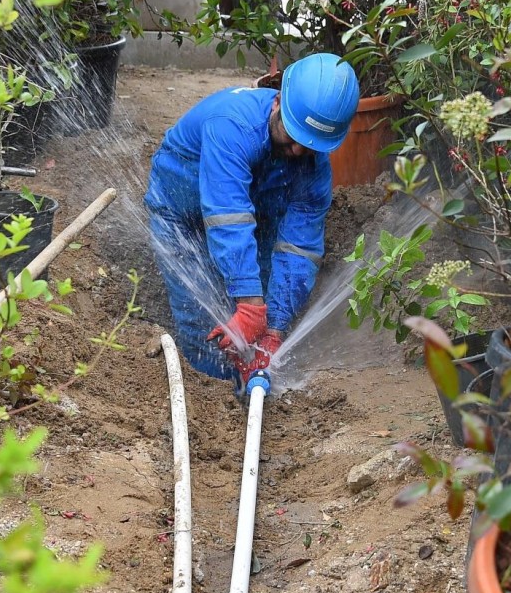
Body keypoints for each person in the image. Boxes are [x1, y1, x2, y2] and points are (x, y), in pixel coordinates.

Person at [144, 53, 360, 386]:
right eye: (293, 135)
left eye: (310, 145)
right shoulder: (232, 127)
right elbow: (226, 215)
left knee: (260, 305)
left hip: (250, 215)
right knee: (203, 320)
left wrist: (273, 327)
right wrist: (249, 305)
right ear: (277, 103)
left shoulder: (315, 172)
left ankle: (251, 384)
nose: (299, 152)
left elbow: (298, 249)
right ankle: (213, 396)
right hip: (180, 215)